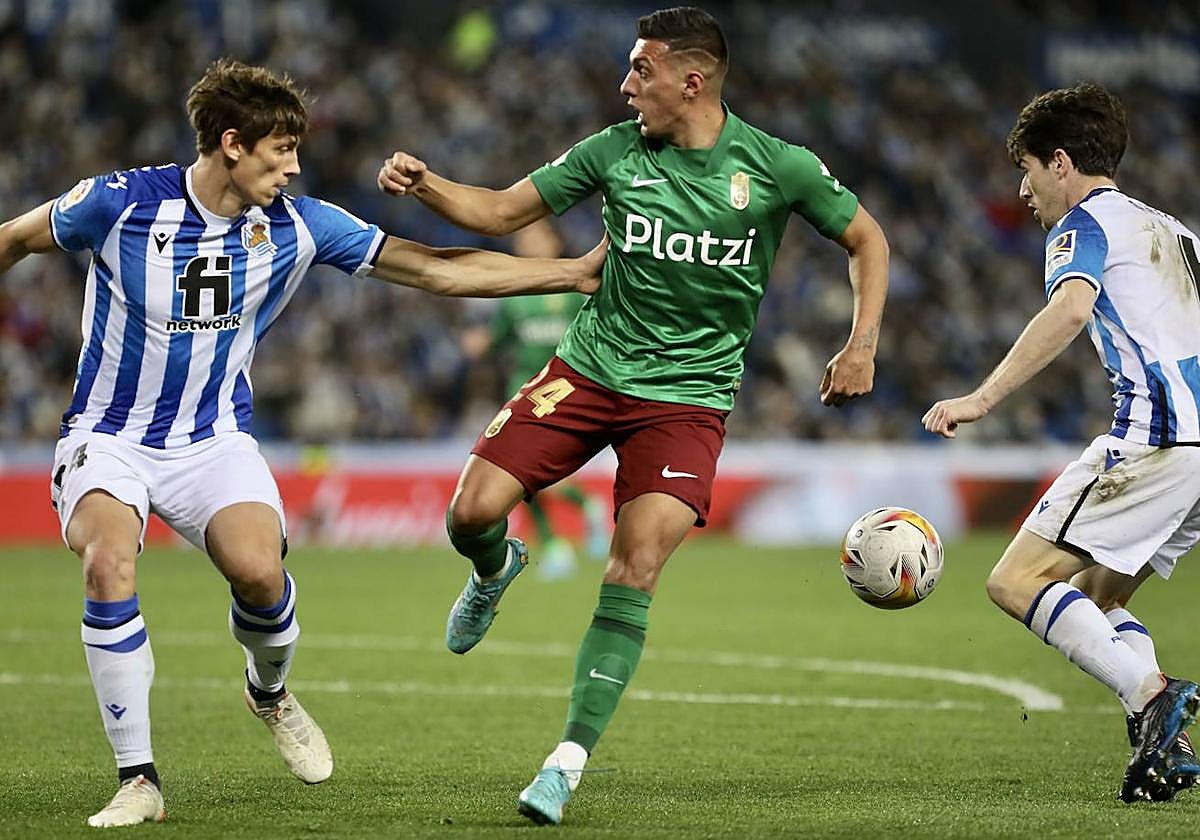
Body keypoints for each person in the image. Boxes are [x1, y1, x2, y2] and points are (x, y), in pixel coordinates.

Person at [0, 58, 602, 828]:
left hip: (212, 440)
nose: (293, 167)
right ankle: (139, 778)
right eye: (280, 151)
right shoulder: (117, 204)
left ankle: (270, 692)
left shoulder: (300, 225)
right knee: (109, 560)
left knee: (259, 574)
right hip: (108, 436)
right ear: (231, 144)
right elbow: (17, 237)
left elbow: (435, 271)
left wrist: (570, 274)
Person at [378, 6, 889, 825]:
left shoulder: (777, 167)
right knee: (469, 513)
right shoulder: (612, 152)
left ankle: (565, 760)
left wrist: (861, 342)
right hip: (587, 370)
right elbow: (501, 213)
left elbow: (868, 239)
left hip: (686, 400)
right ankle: (492, 569)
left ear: (692, 80)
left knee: (635, 564)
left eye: (640, 70)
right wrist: (427, 183)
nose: (625, 86)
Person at [923, 81, 1200, 803]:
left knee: (1014, 581)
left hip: (1157, 437)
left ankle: (1153, 697)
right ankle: (1163, 752)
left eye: (1027, 169)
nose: (1023, 189)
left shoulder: (1082, 227)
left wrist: (980, 397)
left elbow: (1070, 310)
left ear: (1061, 162)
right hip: (1199, 451)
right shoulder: (1175, 231)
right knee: (1098, 601)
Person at [460, 219, 610, 577]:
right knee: (517, 473)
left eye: (535, 236)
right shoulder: (517, 300)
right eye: (523, 238)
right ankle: (557, 540)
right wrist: (480, 343)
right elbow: (498, 339)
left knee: (533, 476)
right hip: (525, 389)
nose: (527, 243)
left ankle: (576, 518)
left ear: (554, 241)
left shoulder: (578, 293)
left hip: (566, 391)